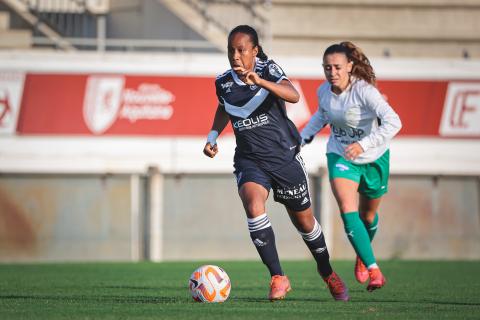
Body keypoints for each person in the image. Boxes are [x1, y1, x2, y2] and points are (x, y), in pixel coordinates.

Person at [203, 25, 349, 301]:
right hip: (250, 159)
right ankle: (278, 277)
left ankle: (327, 272)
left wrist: (260, 82)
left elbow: (292, 95)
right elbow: (224, 106)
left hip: (284, 158)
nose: (235, 55)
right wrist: (212, 135)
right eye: (230, 50)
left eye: (241, 50)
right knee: (253, 205)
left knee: (305, 223)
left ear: (254, 51)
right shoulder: (222, 81)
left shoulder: (268, 69)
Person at [301, 41, 402, 291]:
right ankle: (374, 269)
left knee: (367, 216)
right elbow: (322, 115)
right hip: (340, 155)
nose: (332, 72)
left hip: (374, 158)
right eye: (327, 67)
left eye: (337, 67)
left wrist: (364, 144)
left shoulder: (365, 91)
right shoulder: (323, 91)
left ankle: (362, 253)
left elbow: (394, 122)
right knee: (348, 208)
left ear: (349, 66)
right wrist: (301, 138)